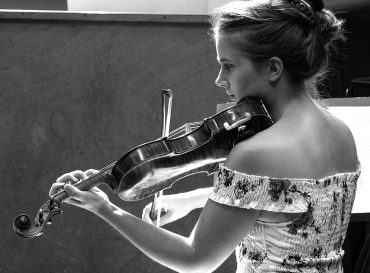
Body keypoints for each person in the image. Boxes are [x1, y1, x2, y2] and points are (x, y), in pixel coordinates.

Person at [49, 0, 361, 272]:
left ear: (273, 68)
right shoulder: (341, 133)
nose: (220, 79)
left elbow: (195, 260)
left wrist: (106, 208)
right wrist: (191, 199)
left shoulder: (256, 152)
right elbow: (293, 200)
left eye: (228, 66)